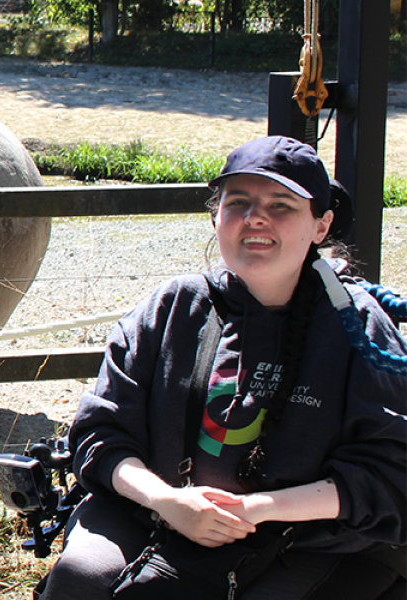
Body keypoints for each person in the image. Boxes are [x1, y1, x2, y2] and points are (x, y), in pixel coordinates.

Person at [38, 136, 407, 600]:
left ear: (321, 225)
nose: (255, 217)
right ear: (217, 216)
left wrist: (257, 509)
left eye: (281, 205)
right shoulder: (173, 308)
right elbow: (101, 435)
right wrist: (166, 500)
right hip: (157, 511)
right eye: (239, 202)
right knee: (80, 581)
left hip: (312, 537)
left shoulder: (359, 326)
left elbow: (388, 473)